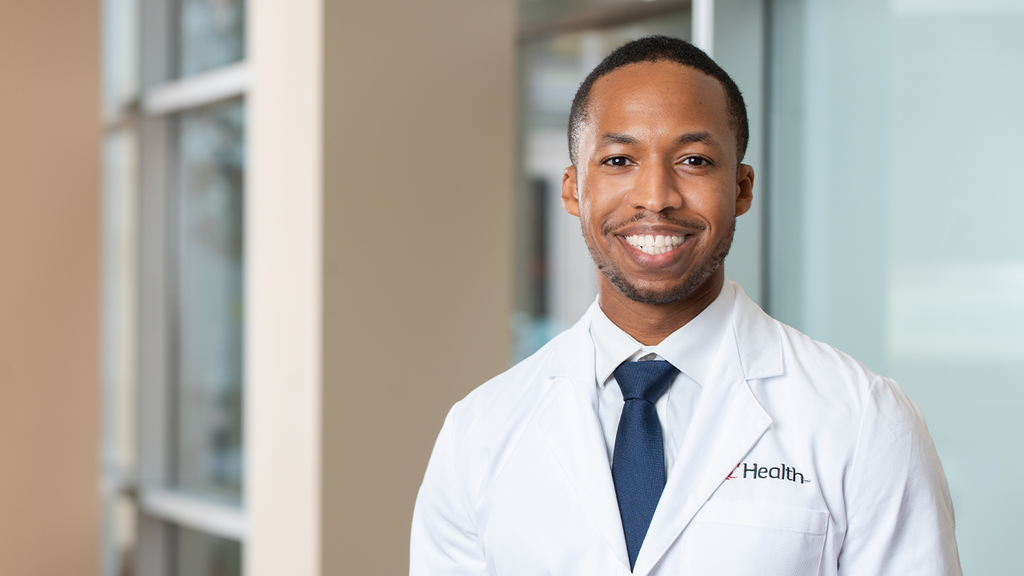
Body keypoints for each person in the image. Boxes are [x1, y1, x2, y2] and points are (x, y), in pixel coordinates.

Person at [410, 35, 961, 576]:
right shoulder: (479, 430)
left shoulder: (863, 420)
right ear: (574, 190)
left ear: (741, 188)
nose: (656, 197)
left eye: (694, 160)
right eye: (619, 159)